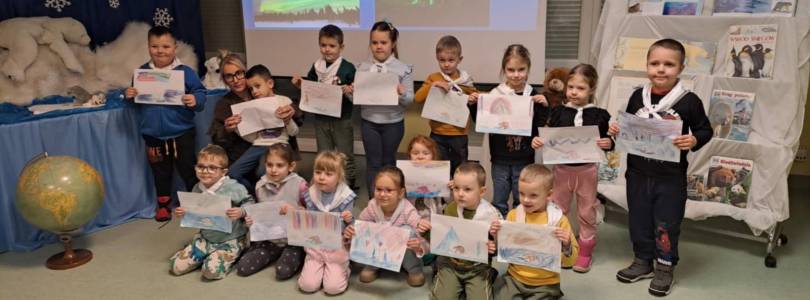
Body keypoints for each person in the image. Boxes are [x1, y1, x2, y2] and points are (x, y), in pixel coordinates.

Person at [608, 38, 712, 296]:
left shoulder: (689, 101)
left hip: (670, 178)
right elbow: (629, 127)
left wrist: (695, 139)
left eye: (669, 64)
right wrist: (616, 130)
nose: (661, 69)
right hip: (637, 173)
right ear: (646, 66)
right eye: (655, 63)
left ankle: (665, 266)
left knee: (667, 222)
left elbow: (705, 129)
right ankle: (643, 261)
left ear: (681, 68)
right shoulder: (637, 96)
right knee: (639, 218)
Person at [530, 64, 612, 273]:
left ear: (592, 89)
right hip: (562, 170)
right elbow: (549, 137)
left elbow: (609, 141)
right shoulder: (558, 112)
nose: (574, 92)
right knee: (558, 209)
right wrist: (538, 141)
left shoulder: (601, 115)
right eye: (571, 87)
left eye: (581, 88)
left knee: (586, 211)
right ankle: (559, 247)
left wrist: (609, 142)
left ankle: (585, 252)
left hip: (587, 171)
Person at [125, 26, 207, 222]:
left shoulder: (185, 72)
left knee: (187, 169)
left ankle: (197, 205)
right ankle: (163, 205)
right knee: (160, 171)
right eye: (155, 46)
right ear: (148, 47)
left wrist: (195, 99)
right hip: (153, 134)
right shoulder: (142, 73)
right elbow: (135, 99)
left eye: (165, 46)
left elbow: (200, 93)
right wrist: (129, 96)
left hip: (182, 132)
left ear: (175, 47)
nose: (160, 51)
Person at [470, 44, 549, 217]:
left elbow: (539, 126)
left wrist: (544, 106)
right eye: (511, 69)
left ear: (528, 69)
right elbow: (481, 122)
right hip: (500, 159)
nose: (516, 75)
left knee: (522, 199)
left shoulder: (533, 95)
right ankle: (499, 232)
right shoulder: (496, 93)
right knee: (499, 199)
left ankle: (518, 230)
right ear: (504, 69)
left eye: (521, 69)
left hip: (524, 158)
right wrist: (474, 105)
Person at [489, 164, 579, 300]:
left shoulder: (558, 220)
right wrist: (495, 235)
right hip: (514, 279)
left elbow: (570, 261)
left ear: (549, 195)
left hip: (546, 284)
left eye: (533, 195)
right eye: (521, 193)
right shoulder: (514, 215)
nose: (525, 199)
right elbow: (503, 251)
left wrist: (566, 245)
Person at [169, 145, 253, 280]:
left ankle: (235, 252)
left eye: (212, 168)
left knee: (210, 273)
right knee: (176, 268)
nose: (205, 171)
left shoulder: (234, 187)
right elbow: (194, 211)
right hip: (206, 236)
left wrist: (241, 211)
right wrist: (184, 212)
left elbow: (250, 202)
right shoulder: (197, 187)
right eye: (201, 166)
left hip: (231, 238)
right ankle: (204, 252)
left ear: (224, 172)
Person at [292, 24, 359, 190]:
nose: (327, 50)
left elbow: (356, 95)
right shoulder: (316, 67)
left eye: (332, 46)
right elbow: (310, 88)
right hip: (321, 119)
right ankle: (325, 185)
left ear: (341, 47)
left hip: (342, 119)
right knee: (324, 154)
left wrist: (350, 90)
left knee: (345, 155)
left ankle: (348, 186)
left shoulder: (348, 68)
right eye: (323, 45)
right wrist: (300, 85)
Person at [352, 21, 414, 196]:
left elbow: (409, 100)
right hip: (369, 123)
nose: (379, 46)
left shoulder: (403, 69)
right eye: (374, 42)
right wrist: (351, 93)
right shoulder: (362, 68)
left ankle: (390, 199)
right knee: (373, 163)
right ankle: (374, 201)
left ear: (393, 44)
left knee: (388, 163)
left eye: (383, 42)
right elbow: (356, 100)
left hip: (393, 124)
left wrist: (402, 94)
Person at [426, 162, 502, 300]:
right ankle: (443, 276)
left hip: (477, 267)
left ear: (482, 191)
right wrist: (426, 231)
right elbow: (440, 240)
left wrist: (493, 247)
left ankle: (489, 274)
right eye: (456, 188)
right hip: (450, 263)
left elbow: (500, 247)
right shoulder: (449, 209)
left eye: (467, 189)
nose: (460, 194)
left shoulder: (492, 215)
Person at [343, 166, 428, 287]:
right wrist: (352, 230)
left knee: (408, 232)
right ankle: (374, 265)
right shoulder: (372, 206)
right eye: (379, 189)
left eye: (389, 190)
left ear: (401, 193)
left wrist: (420, 228)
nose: (383, 194)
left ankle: (414, 268)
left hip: (403, 252)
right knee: (368, 229)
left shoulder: (406, 208)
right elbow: (360, 225)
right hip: (379, 250)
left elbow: (417, 223)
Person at [236, 144, 307, 280]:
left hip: (294, 239)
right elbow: (260, 212)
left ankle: (300, 254)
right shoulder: (259, 186)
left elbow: (312, 215)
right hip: (270, 238)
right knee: (243, 267)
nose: (274, 170)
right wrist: (252, 220)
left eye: (280, 165)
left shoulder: (301, 185)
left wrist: (296, 211)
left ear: (291, 166)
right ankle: (275, 251)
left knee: (283, 271)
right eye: (269, 165)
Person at [413, 35, 479, 175]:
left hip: (459, 134)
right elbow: (418, 98)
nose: (446, 64)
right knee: (437, 169)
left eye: (451, 60)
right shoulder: (433, 78)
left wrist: (473, 99)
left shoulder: (465, 80)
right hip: (437, 134)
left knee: (460, 170)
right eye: (442, 60)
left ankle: (457, 196)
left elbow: (475, 99)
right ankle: (441, 198)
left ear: (459, 60)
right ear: (437, 58)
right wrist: (433, 85)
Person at [227, 65, 299, 192]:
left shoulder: (283, 101)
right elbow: (252, 138)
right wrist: (237, 128)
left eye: (257, 86)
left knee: (262, 172)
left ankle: (273, 196)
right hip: (258, 145)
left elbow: (294, 132)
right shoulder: (251, 106)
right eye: (251, 89)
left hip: (280, 144)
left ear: (270, 83)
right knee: (233, 173)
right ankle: (254, 193)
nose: (254, 91)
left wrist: (288, 120)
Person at [297, 151, 356, 295]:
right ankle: (318, 267)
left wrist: (349, 220)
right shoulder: (311, 194)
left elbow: (352, 229)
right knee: (307, 286)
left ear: (339, 177)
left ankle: (343, 269)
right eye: (318, 172)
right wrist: (302, 215)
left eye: (329, 174)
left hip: (337, 247)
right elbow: (308, 224)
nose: (322, 177)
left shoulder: (345, 197)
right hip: (315, 245)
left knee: (332, 288)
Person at [209, 53, 253, 167]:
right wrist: (227, 130)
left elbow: (283, 104)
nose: (235, 80)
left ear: (245, 72)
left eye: (239, 73)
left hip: (267, 149)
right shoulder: (224, 104)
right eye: (229, 76)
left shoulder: (259, 91)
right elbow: (216, 140)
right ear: (224, 80)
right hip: (240, 155)